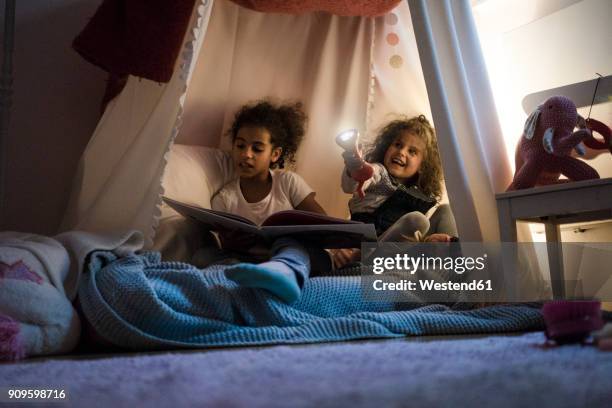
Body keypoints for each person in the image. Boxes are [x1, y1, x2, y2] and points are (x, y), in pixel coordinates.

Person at [211, 100, 326, 303]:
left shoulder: (287, 182)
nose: (246, 154)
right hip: (246, 258)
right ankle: (243, 280)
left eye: (257, 149)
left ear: (274, 154)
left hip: (288, 253)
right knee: (204, 256)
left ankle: (283, 273)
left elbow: (322, 221)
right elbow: (223, 241)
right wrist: (232, 242)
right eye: (240, 146)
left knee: (292, 246)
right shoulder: (224, 198)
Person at [334, 115, 458, 266]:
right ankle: (362, 260)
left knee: (446, 210)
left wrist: (430, 241)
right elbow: (355, 183)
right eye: (398, 145)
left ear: (423, 165)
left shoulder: (419, 197)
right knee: (417, 220)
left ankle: (454, 259)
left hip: (402, 254)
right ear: (386, 146)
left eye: (412, 151)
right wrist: (356, 169)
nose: (402, 152)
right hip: (370, 248)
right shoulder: (379, 172)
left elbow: (413, 237)